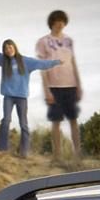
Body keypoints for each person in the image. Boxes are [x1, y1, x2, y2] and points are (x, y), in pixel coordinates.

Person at [0, 32, 52, 155]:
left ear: (15, 48)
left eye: (10, 47)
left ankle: (24, 151)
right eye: (6, 48)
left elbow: (42, 64)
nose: (8, 50)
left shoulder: (26, 61)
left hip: (22, 97)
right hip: (8, 97)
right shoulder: (3, 60)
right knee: (6, 120)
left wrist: (57, 62)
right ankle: (2, 149)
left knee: (23, 124)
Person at [33, 9, 82, 158]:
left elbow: (73, 62)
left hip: (70, 85)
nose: (60, 24)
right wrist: (46, 90)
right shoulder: (43, 42)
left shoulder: (69, 41)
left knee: (73, 120)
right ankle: (57, 156)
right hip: (54, 87)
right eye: (57, 21)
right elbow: (42, 67)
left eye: (62, 21)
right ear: (52, 23)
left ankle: (78, 154)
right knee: (56, 121)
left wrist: (79, 85)